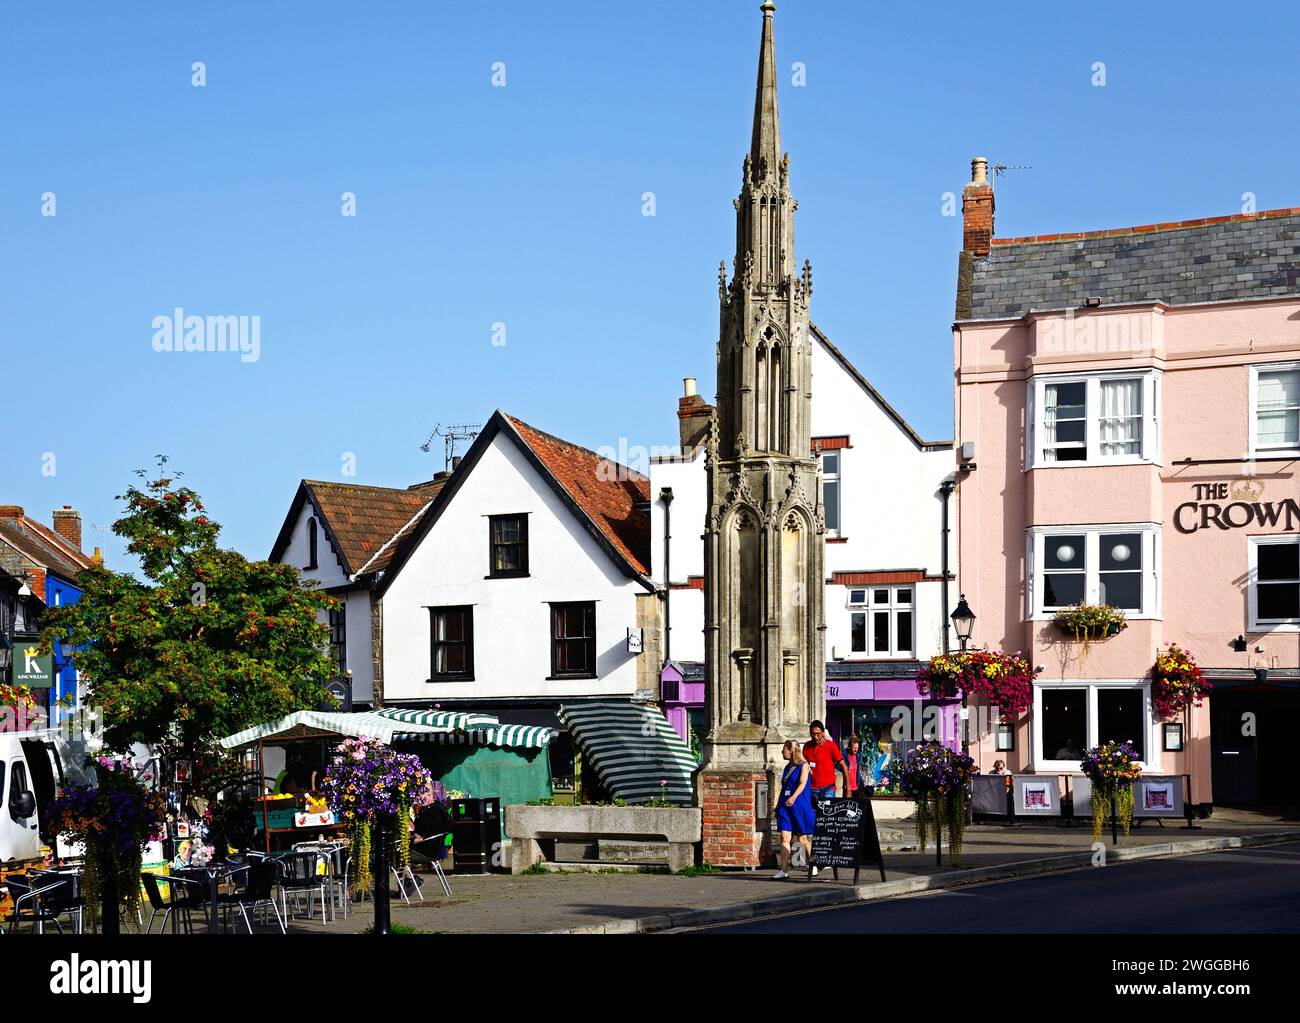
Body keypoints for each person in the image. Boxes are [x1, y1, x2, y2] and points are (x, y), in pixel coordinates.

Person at [772, 740, 815, 880]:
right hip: (785, 805)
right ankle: (783, 871)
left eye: (784, 749)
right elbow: (784, 788)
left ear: (791, 750)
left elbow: (803, 783)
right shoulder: (787, 767)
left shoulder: (804, 766)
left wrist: (794, 797)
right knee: (784, 837)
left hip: (798, 804)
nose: (782, 752)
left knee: (802, 838)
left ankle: (813, 864)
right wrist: (779, 804)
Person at [803, 720, 849, 808]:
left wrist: (848, 787)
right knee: (813, 818)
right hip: (812, 788)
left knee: (827, 817)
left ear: (823, 733)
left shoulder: (831, 746)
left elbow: (843, 766)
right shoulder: (806, 746)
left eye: (818, 734)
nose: (815, 737)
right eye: (813, 734)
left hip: (828, 788)